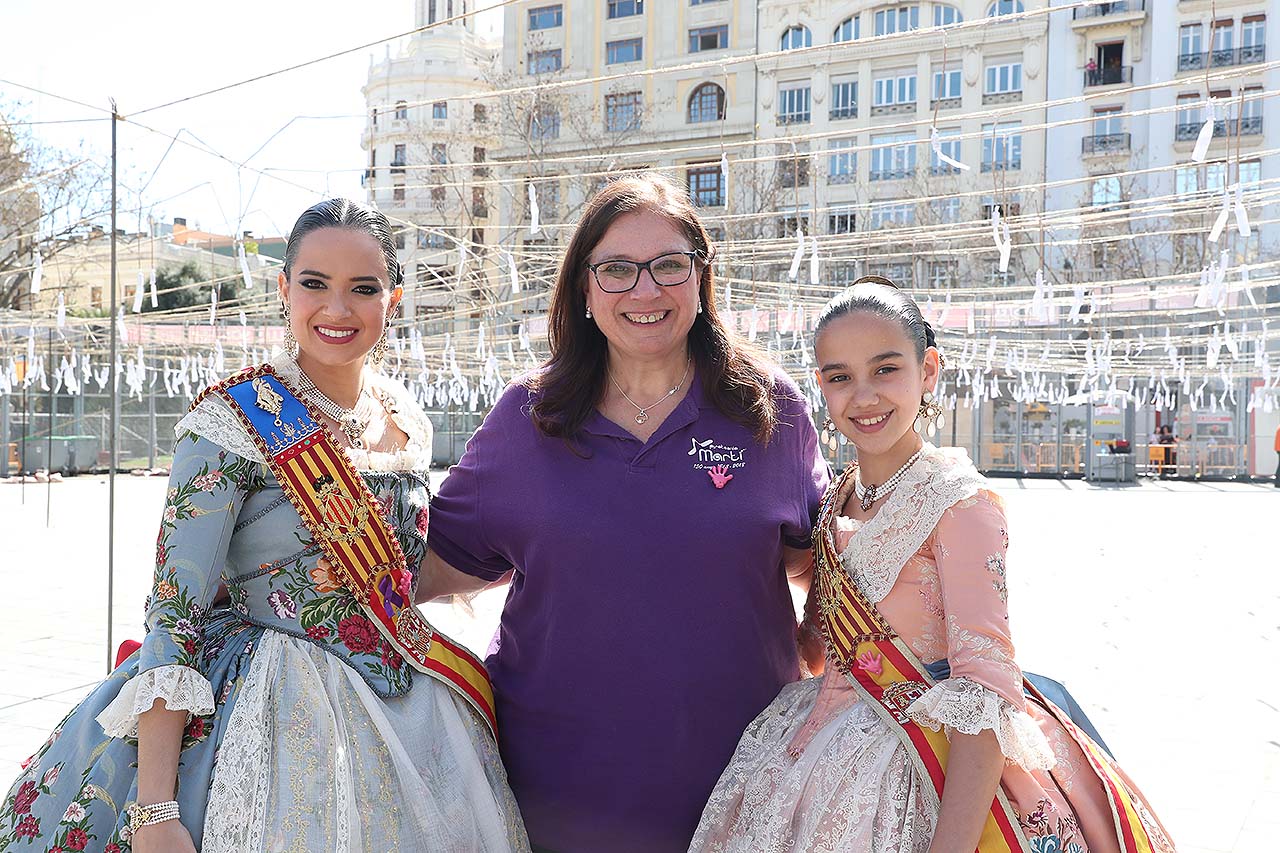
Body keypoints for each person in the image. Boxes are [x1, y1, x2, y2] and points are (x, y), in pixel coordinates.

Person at [0, 199, 529, 853]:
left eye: (362, 288)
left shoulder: (407, 419)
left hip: (410, 709)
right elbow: (174, 617)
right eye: (315, 284)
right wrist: (156, 810)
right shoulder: (232, 422)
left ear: (392, 298)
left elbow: (404, 574)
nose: (337, 310)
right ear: (285, 288)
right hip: (265, 706)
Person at [688, 277, 1175, 853]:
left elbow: (985, 691)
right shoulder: (838, 497)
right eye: (840, 377)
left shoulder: (960, 504)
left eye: (885, 369)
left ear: (930, 371)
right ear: (820, 386)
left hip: (916, 770)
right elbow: (818, 646)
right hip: (809, 753)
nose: (863, 396)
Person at [418, 173, 828, 853]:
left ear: (701, 279)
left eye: (669, 265)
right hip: (556, 801)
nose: (646, 290)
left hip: (743, 797)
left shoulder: (768, 411)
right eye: (616, 269)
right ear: (583, 289)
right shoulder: (525, 420)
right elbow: (426, 578)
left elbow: (822, 575)